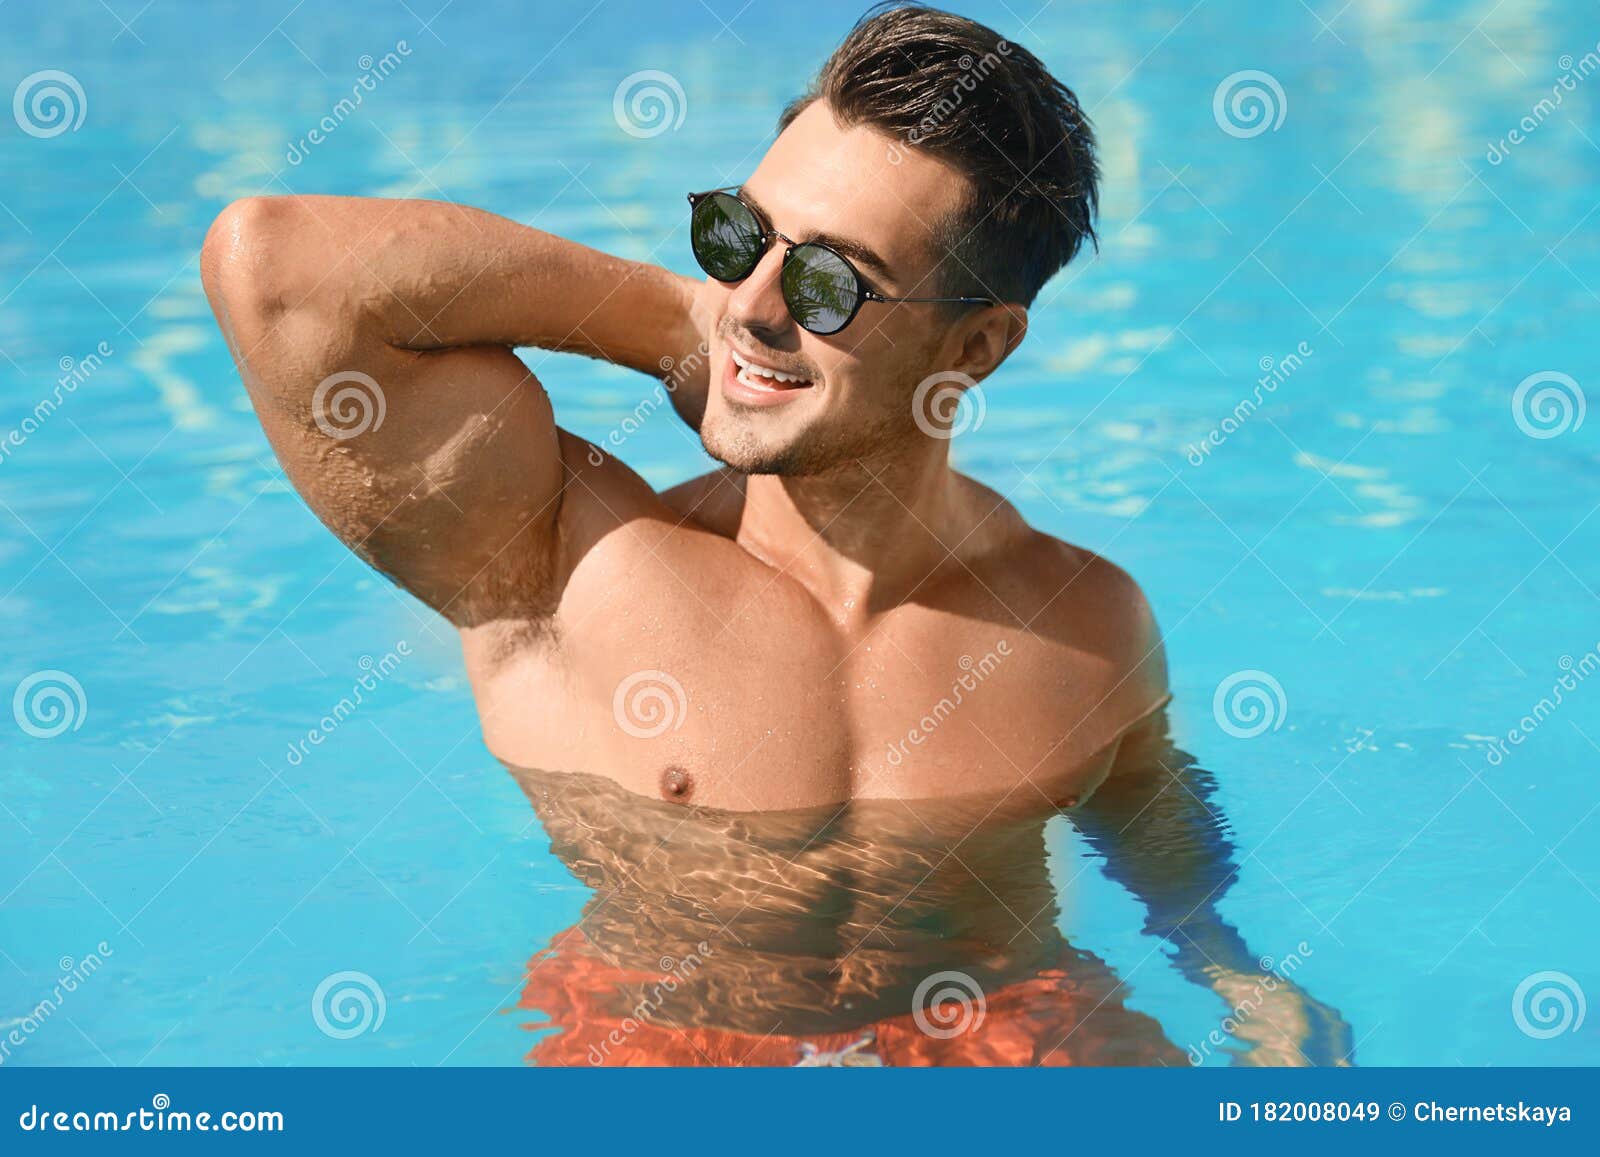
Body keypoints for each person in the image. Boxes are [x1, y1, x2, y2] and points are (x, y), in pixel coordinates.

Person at [200, 3, 1156, 813]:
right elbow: (274, 272)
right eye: (739, 236)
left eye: (830, 281)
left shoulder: (1085, 622)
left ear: (975, 348)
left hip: (995, 1026)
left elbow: (1160, 847)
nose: (752, 303)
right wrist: (676, 320)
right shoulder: (571, 570)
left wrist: (1234, 974)